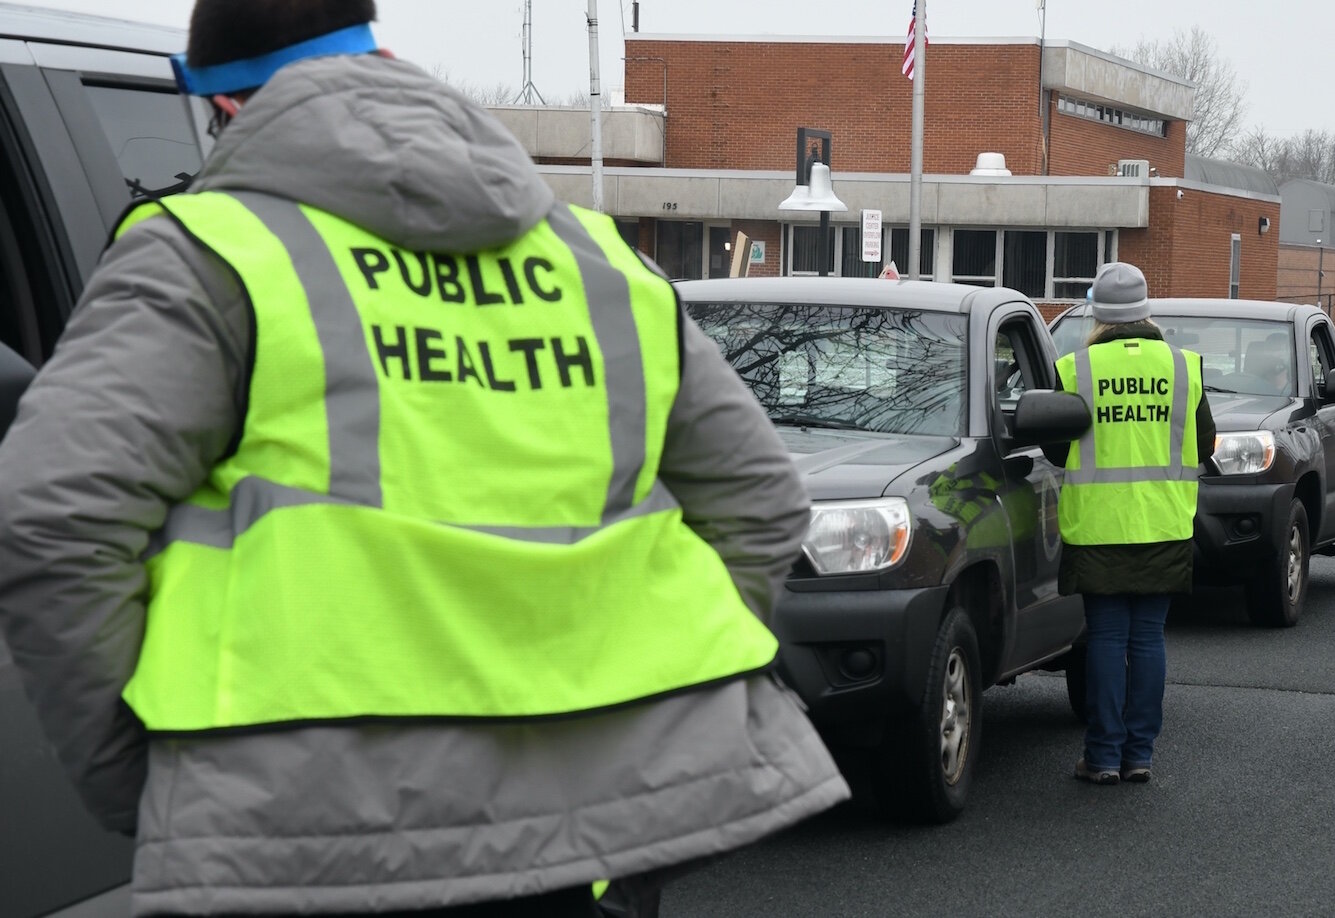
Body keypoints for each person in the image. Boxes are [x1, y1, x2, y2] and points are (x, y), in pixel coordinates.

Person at [0, 2, 848, 915]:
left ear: (228, 112)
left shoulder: (208, 254)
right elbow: (762, 504)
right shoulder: (595, 262)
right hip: (580, 850)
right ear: (389, 64)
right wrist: (643, 727)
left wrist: (145, 776)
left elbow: (52, 517)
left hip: (305, 854)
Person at [1055, 263, 1215, 785]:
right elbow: (1206, 443)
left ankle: (1102, 756)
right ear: (1147, 310)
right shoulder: (1184, 366)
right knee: (1147, 638)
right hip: (1166, 524)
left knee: (1104, 637)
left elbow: (1056, 448)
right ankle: (1139, 754)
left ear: (1096, 315)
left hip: (1098, 526)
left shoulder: (1073, 368)